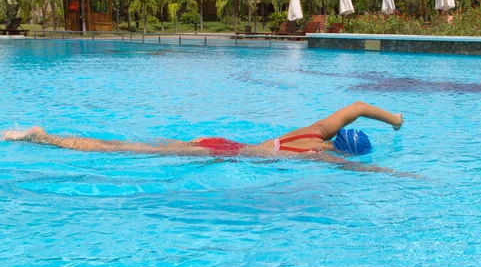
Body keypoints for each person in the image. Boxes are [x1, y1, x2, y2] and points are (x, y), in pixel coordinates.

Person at [3, 102, 409, 174]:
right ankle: (41, 138)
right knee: (126, 149)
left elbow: (356, 105)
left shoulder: (319, 130)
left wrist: (394, 121)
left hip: (221, 141)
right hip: (221, 155)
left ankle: (44, 137)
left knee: (140, 148)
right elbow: (374, 174)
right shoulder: (319, 157)